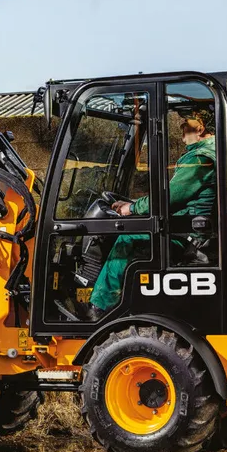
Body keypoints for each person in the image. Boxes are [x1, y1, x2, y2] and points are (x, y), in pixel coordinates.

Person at [88, 108, 217, 314]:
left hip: (185, 235)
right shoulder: (216, 154)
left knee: (126, 240)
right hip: (191, 229)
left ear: (199, 127)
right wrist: (135, 204)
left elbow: (169, 199)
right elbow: (178, 196)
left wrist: (132, 208)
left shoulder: (200, 159)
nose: (181, 129)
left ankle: (100, 308)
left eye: (185, 124)